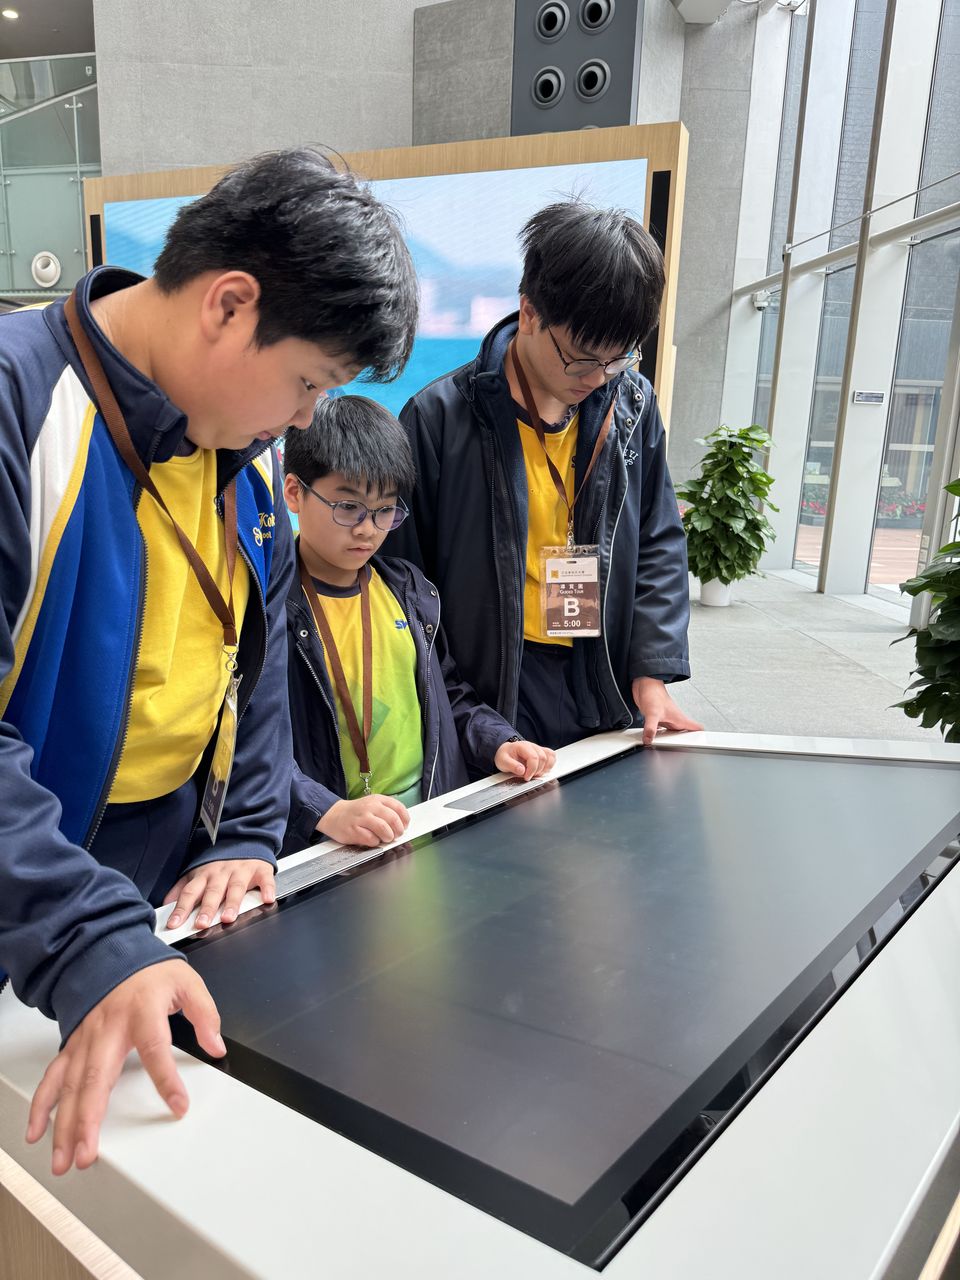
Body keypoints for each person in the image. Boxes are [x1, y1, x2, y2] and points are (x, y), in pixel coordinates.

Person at [0, 146, 418, 1175]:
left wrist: (244, 832)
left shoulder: (251, 460)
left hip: (166, 864)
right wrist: (84, 932)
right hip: (31, 871)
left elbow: (254, 665)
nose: (308, 416)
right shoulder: (21, 402)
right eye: (309, 380)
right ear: (229, 306)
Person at [388, 198, 702, 751]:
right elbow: (406, 585)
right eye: (581, 357)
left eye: (618, 358)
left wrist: (651, 673)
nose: (598, 377)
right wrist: (464, 715)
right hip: (488, 686)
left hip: (597, 669)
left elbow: (657, 538)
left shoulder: (631, 404)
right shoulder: (438, 419)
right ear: (529, 312)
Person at [282, 395, 554, 854]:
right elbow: (252, 742)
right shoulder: (270, 606)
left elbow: (449, 695)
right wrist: (324, 809)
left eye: (385, 510)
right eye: (348, 507)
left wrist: (498, 741)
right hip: (328, 846)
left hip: (426, 822)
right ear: (294, 492)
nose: (368, 529)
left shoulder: (408, 591)